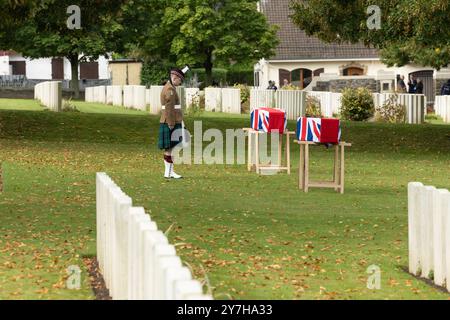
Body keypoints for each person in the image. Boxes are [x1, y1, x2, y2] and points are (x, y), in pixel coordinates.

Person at [158, 66, 189, 179]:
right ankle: (169, 172)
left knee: (170, 148)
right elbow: (169, 109)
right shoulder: (170, 90)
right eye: (180, 80)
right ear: (174, 77)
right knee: (171, 148)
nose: (180, 83)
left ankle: (169, 172)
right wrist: (171, 124)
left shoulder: (169, 87)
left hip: (170, 120)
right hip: (171, 121)